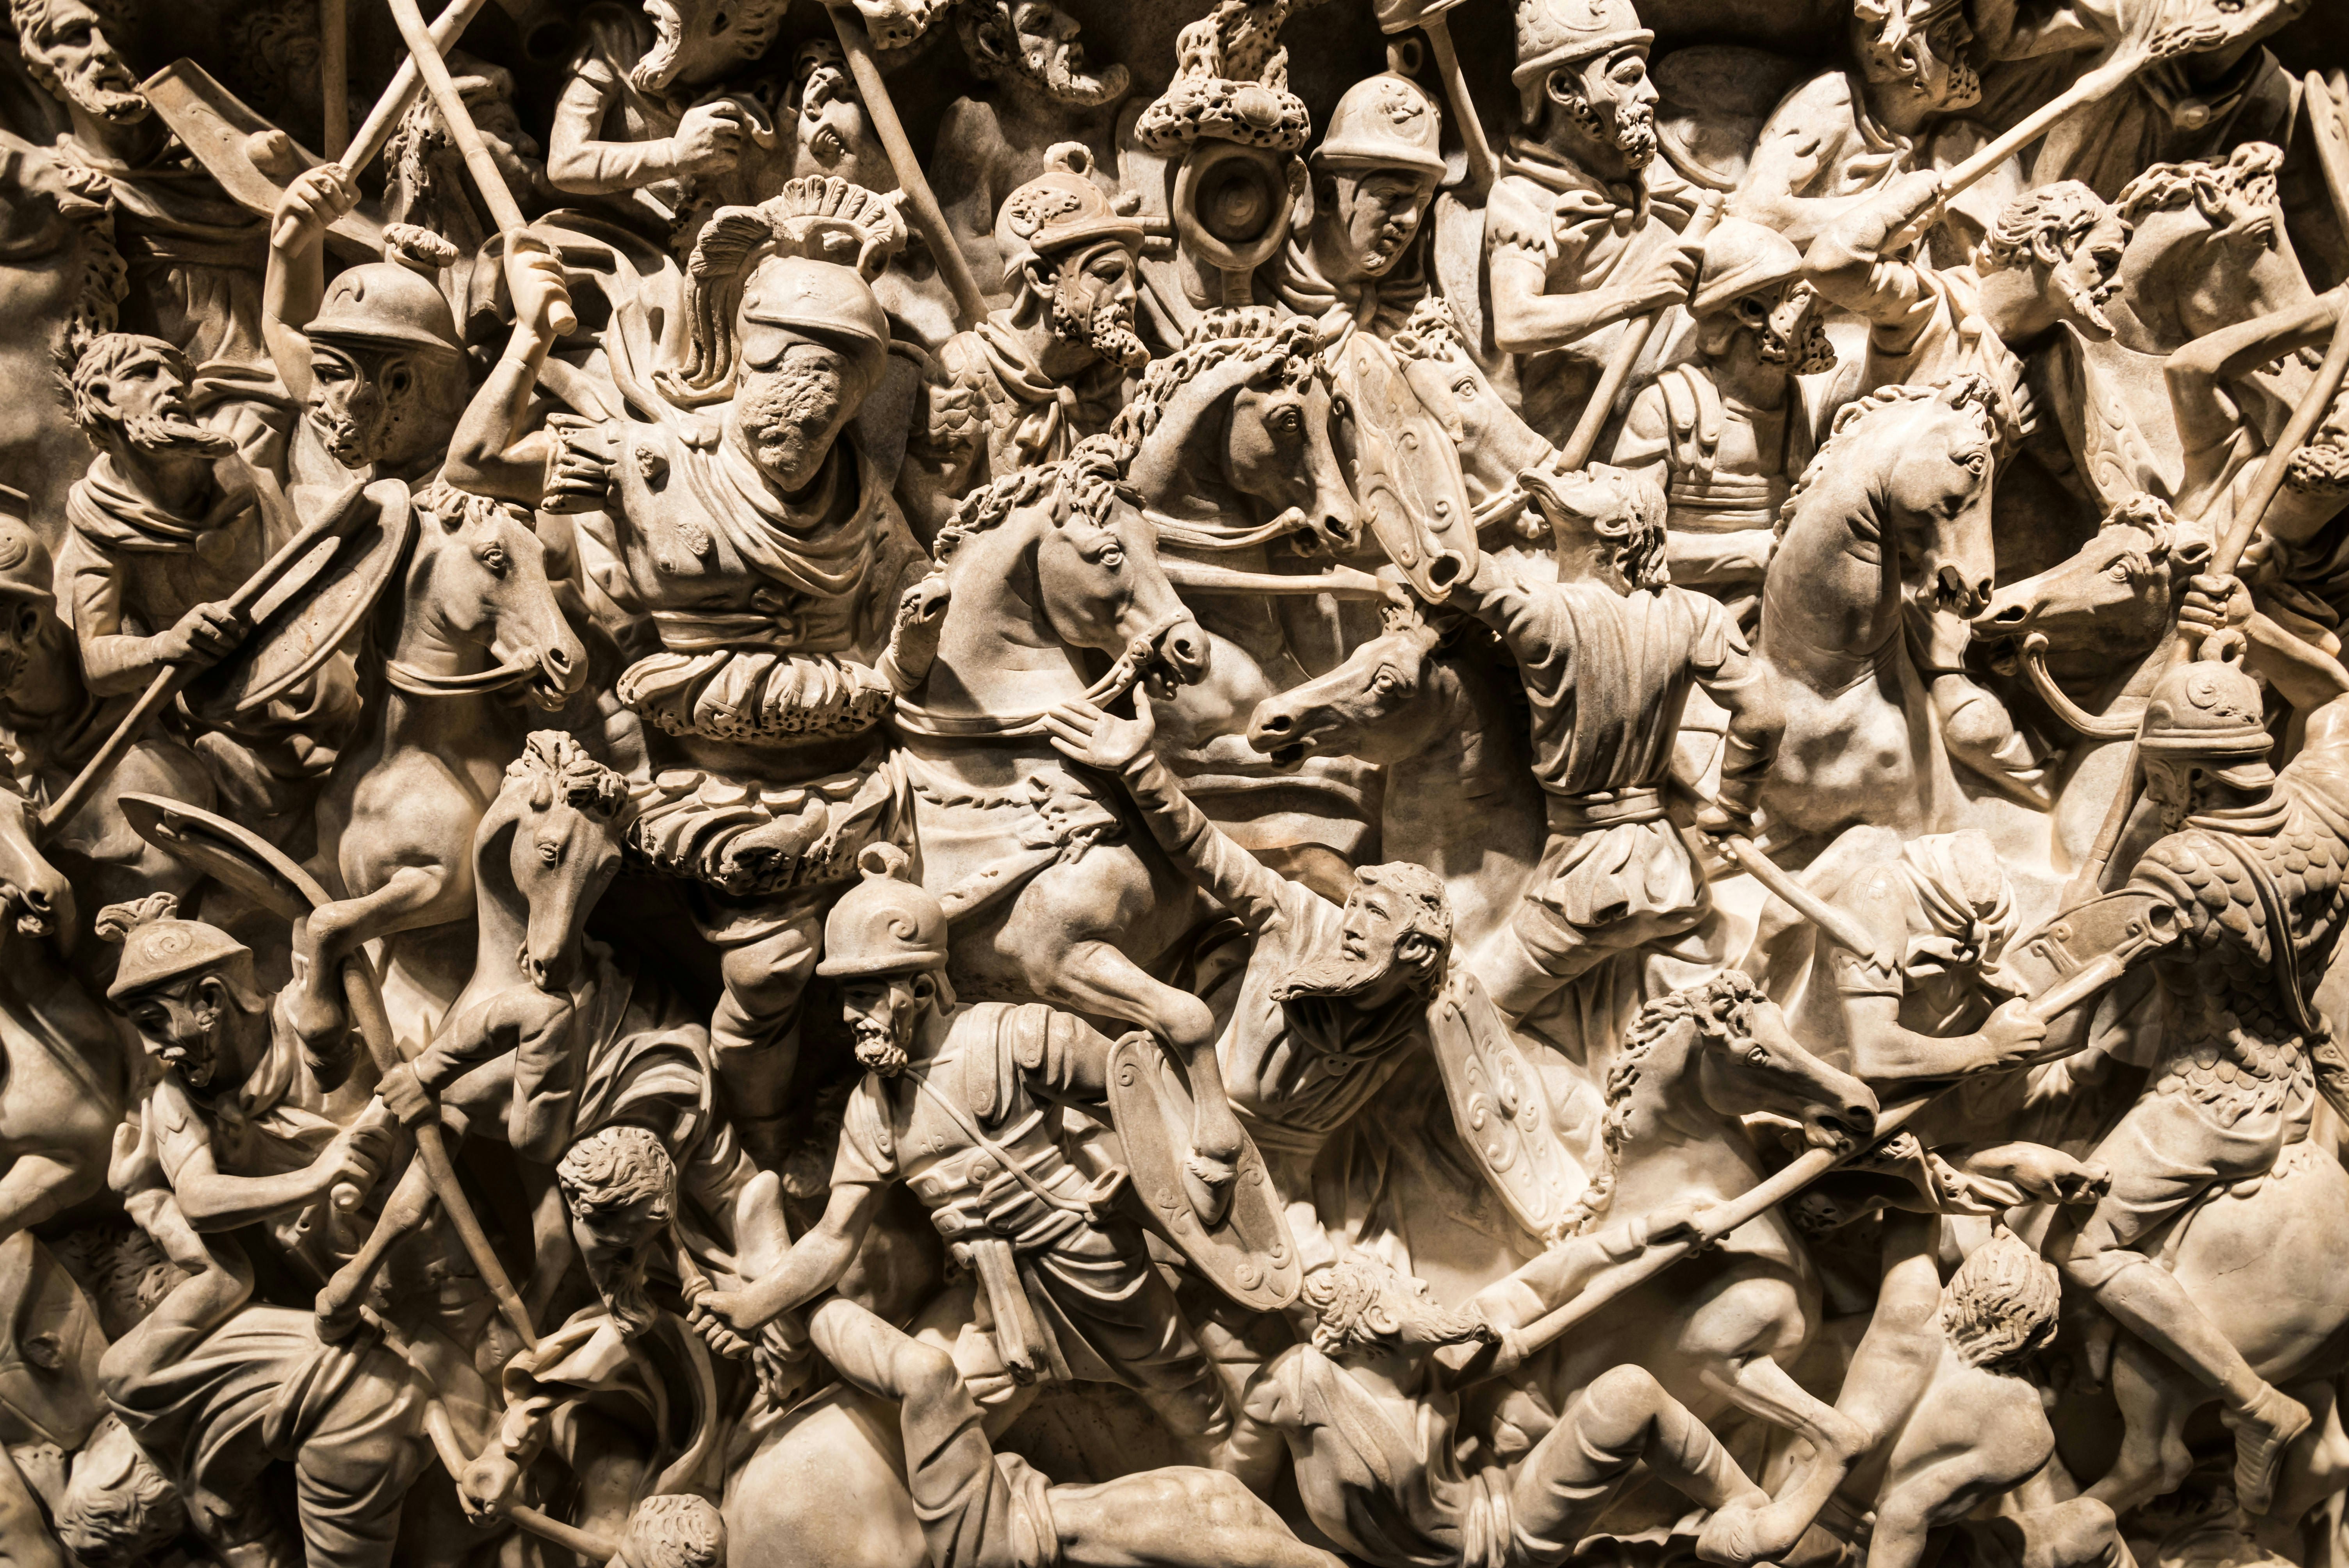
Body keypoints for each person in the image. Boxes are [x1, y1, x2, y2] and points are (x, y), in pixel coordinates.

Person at [446, 175, 932, 1165]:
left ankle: (816, 1130)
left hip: (854, 780)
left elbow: (911, 604)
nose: (804, 419)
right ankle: (757, 1144)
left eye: (832, 403)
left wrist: (912, 644)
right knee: (767, 969)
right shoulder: (649, 458)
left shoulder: (864, 499)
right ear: (746, 370)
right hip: (691, 779)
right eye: (788, 385)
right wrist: (531, 336)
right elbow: (474, 462)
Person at [686, 845, 1234, 1456]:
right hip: (995, 1303)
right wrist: (751, 1305)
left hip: (1093, 1265)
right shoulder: (874, 1107)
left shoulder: (1018, 1037)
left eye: (868, 995)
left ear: (921, 988)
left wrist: (1135, 1183)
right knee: (939, 1430)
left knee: (1195, 1406)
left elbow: (1143, 1099)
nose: (851, 1015)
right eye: (845, 997)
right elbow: (835, 1238)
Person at [1044, 689, 1463, 1272]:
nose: (1352, 924)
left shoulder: (1424, 1019)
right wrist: (1140, 767)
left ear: (1416, 950)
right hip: (1168, 1127)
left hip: (1286, 1205)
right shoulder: (1299, 921)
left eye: (1375, 916)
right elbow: (1205, 852)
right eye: (1357, 904)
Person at [1437, 460, 1779, 1026]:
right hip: (1673, 876)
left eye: (1599, 480)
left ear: (1615, 528)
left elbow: (1450, 568)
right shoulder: (1698, 615)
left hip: (1588, 882)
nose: (1583, 468)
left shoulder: (1541, 613)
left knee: (1468, 1015)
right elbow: (1763, 716)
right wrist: (1734, 806)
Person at [1229, 1242, 1780, 1568]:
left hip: (1502, 1509)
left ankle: (1745, 1509)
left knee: (1626, 1393)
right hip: (1494, 1552)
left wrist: (1650, 1238)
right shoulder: (1298, 1383)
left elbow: (1538, 1294)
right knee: (1628, 1392)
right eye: (1403, 1286)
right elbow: (1239, 1481)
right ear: (1380, 1320)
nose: (1422, 1283)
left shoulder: (1431, 1370)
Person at [59, 331, 357, 815]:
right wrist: (167, 644)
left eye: (176, 375)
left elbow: (312, 585)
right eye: (144, 373)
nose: (173, 386)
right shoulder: (100, 517)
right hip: (229, 719)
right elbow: (97, 661)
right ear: (102, 398)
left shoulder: (242, 478)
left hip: (321, 680)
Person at [901, 142, 1148, 544]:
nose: (1129, 295)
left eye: (1131, 279)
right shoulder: (966, 370)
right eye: (1107, 274)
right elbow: (929, 507)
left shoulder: (1116, 385)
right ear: (1042, 278)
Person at [1483, 0, 1706, 435]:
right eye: (1628, 78)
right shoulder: (1521, 199)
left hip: (1675, 397)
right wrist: (1635, 294)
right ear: (1566, 89)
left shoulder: (1653, 178)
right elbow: (1514, 321)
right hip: (1585, 413)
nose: (1652, 94)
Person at [1608, 218, 1833, 594]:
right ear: (1750, 311)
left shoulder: (1796, 401)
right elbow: (1626, 547)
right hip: (1685, 611)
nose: (1814, 315)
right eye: (1792, 296)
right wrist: (1750, 552)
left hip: (1780, 604)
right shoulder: (1666, 405)